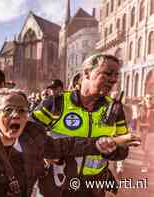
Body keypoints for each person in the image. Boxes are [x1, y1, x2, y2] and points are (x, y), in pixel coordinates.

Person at [0, 88, 137, 197]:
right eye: (8, 110)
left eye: (21, 111)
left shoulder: (33, 137)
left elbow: (67, 145)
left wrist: (108, 141)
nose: (16, 115)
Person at [32, 54, 130, 197]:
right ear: (86, 73)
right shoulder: (56, 103)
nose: (114, 79)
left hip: (94, 188)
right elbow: (27, 134)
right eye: (108, 73)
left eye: (116, 75)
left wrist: (110, 150)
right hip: (57, 186)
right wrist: (43, 154)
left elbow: (123, 150)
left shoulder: (115, 109)